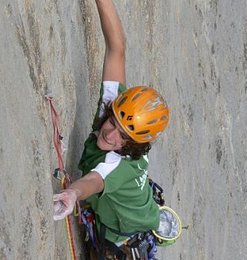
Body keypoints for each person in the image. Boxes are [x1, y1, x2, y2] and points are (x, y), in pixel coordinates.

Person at [53, 0, 169, 258]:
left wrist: (73, 193)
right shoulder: (116, 108)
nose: (110, 134)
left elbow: (94, 181)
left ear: (132, 146)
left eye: (122, 138)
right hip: (134, 209)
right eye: (112, 123)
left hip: (123, 233)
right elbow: (117, 48)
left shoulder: (117, 164)